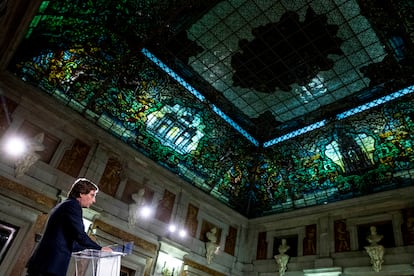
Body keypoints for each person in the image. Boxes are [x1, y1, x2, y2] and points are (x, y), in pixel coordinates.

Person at [26, 178, 112, 276]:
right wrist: (100, 249)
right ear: (81, 193)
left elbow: (69, 242)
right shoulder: (73, 206)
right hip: (50, 264)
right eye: (92, 195)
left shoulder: (66, 204)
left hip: (46, 264)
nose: (94, 200)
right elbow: (80, 235)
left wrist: (87, 249)